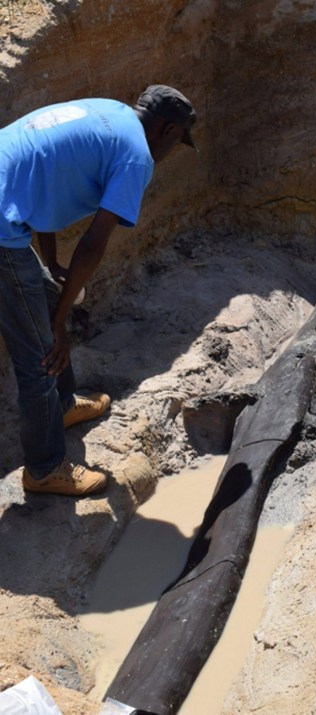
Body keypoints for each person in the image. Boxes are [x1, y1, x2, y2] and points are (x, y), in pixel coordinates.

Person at [0, 84, 197, 496]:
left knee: (51, 292)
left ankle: (64, 404)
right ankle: (44, 468)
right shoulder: (135, 156)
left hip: (7, 197)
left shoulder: (109, 112)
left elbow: (43, 182)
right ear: (165, 129)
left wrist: (51, 264)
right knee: (40, 355)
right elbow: (93, 244)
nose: (173, 150)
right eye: (178, 140)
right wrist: (58, 326)